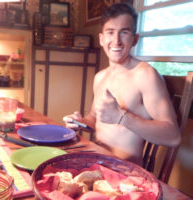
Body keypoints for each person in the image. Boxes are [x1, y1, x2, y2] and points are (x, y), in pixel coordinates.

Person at [63, 2, 181, 165]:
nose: (116, 41)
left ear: (135, 39)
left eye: (124, 32)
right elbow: (94, 119)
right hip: (96, 161)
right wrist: (80, 122)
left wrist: (122, 117)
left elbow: (173, 136)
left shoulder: (145, 75)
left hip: (125, 172)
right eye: (110, 32)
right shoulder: (100, 77)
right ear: (102, 39)